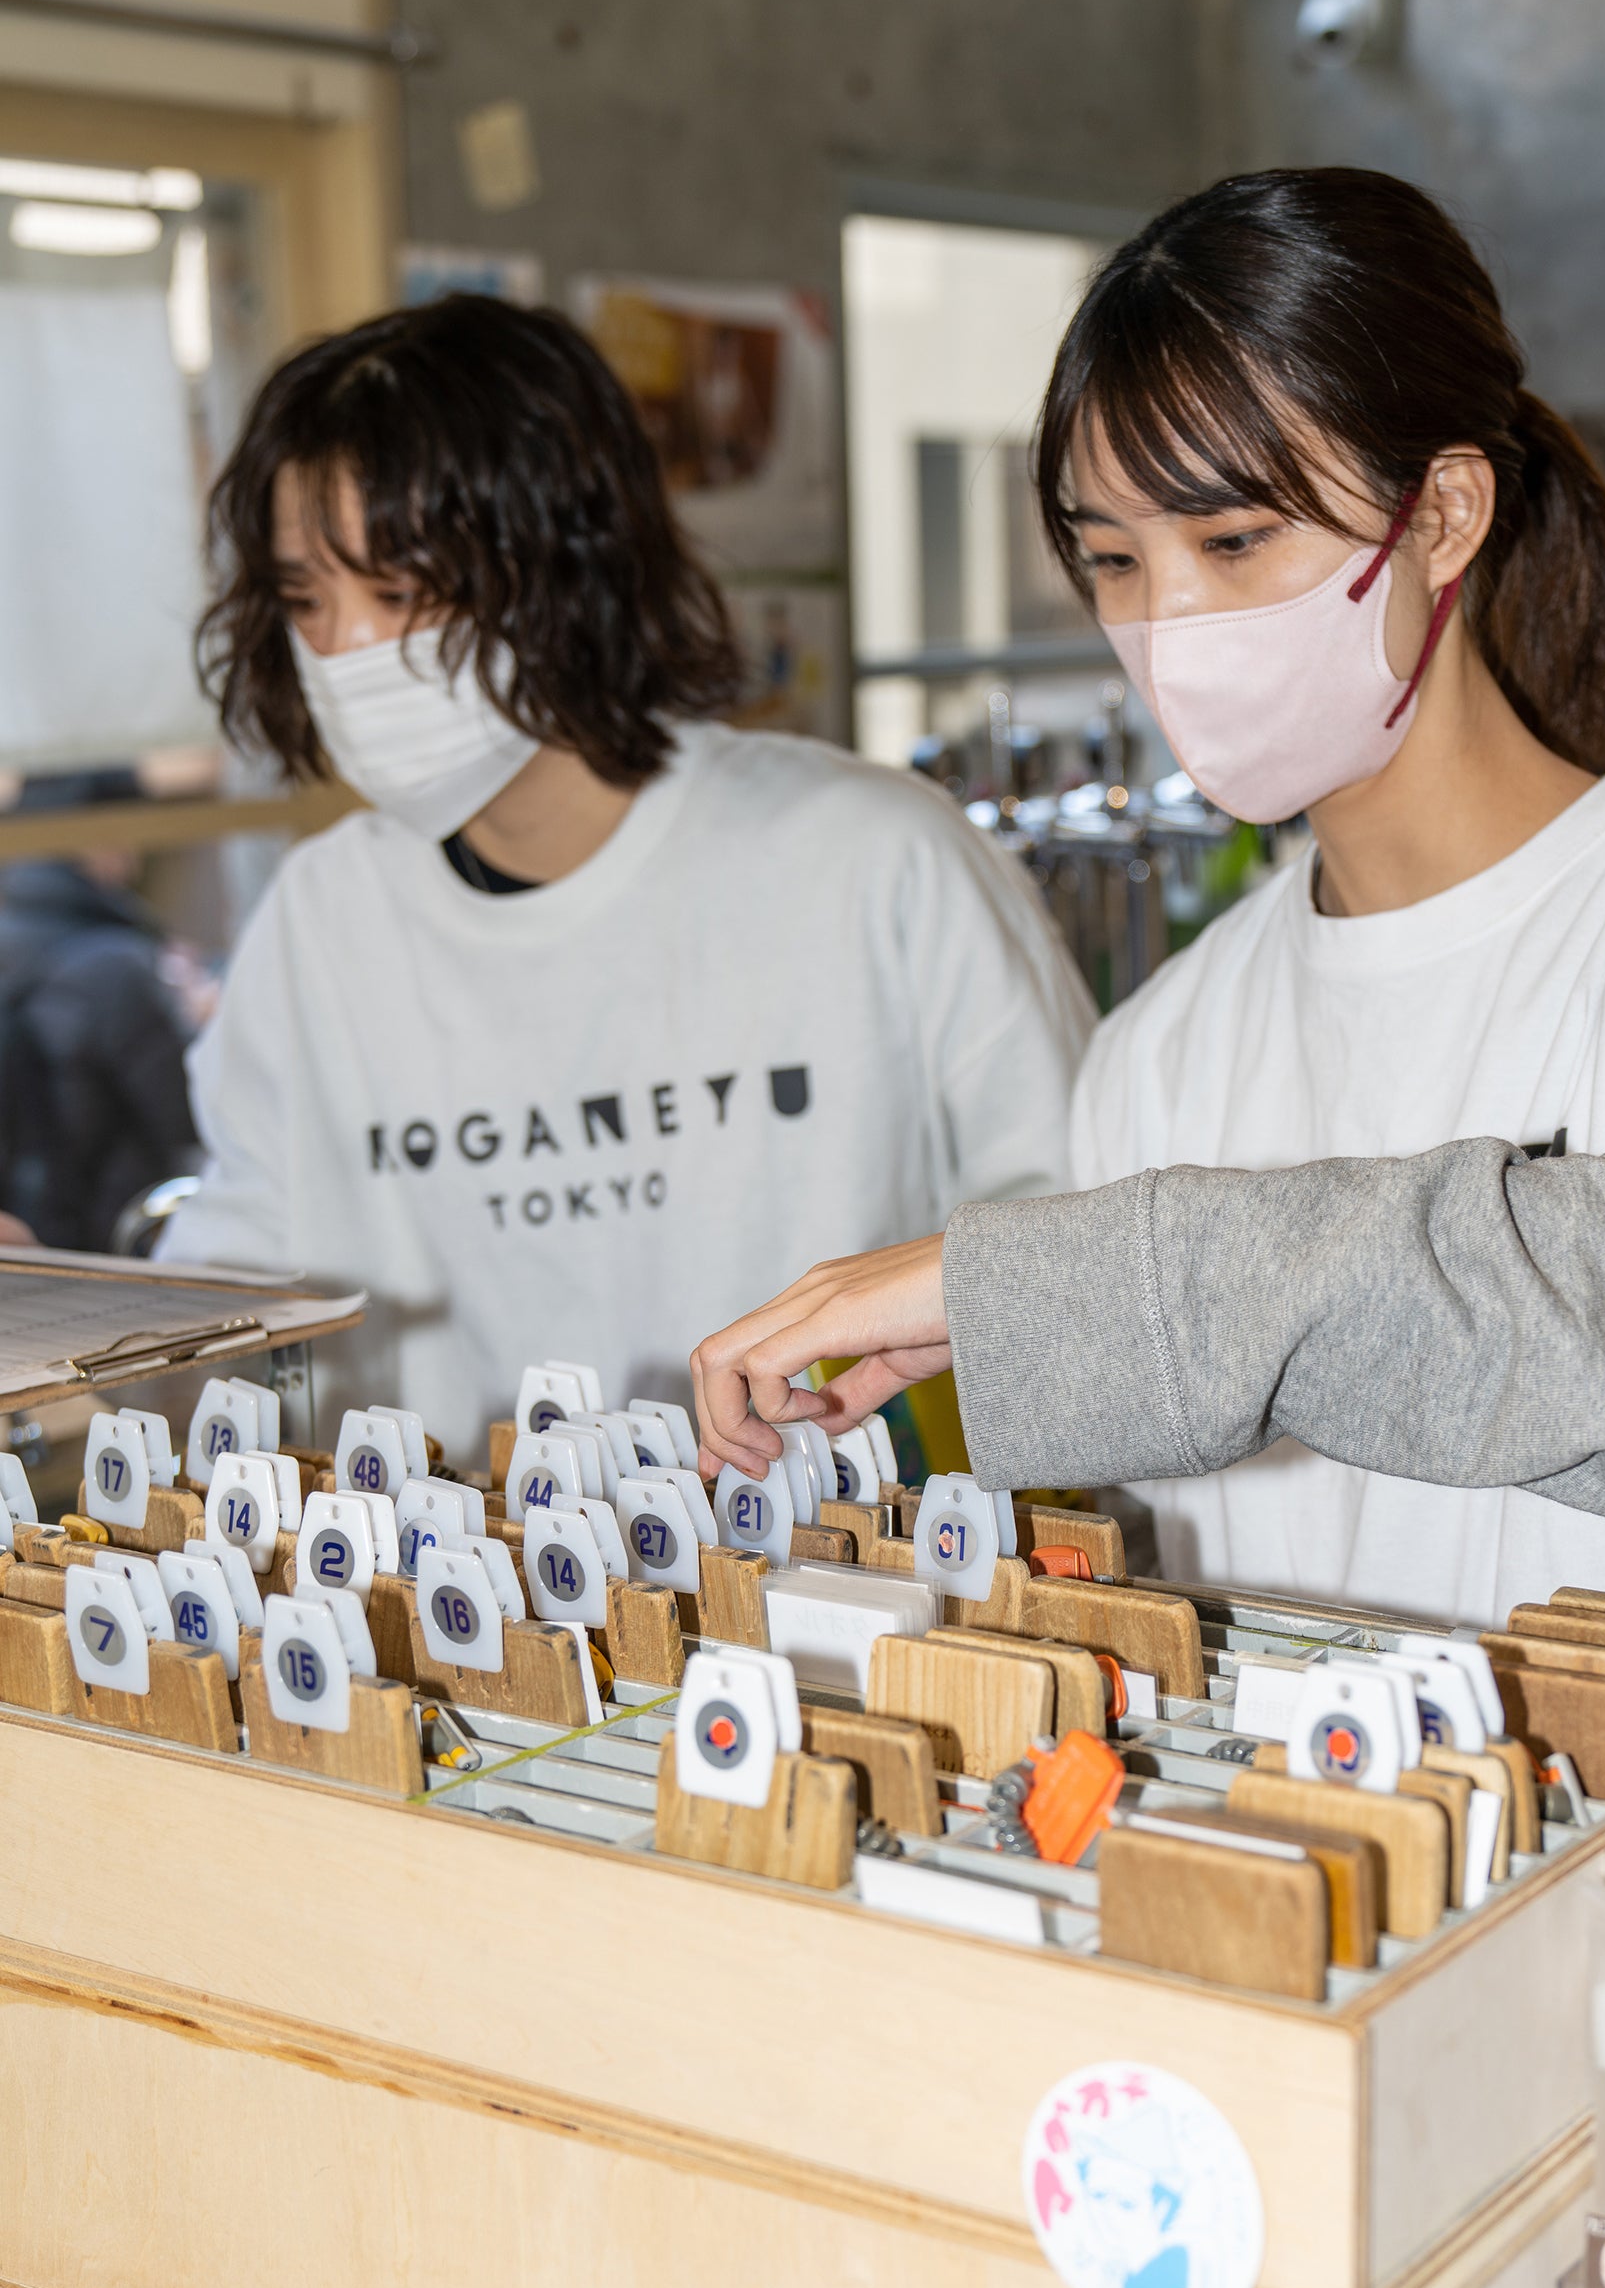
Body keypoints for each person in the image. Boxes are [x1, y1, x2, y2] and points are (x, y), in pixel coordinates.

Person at [691, 167, 1605, 1646]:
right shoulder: (1163, 1046)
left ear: (1445, 515)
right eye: (1112, 560)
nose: (1171, 627)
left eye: (1233, 543)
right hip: (1311, 1868)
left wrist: (1076, 1288)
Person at [157, 295, 1093, 1458]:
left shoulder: (873, 855)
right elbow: (240, 1283)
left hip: (851, 1589)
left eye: (398, 592)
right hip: (463, 1604)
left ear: (564, 561)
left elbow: (1083, 1255)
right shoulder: (320, 917)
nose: (342, 650)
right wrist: (79, 1333)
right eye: (305, 599)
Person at [0, 769, 202, 1251]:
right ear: (88, 836)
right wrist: (198, 1026)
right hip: (114, 1238)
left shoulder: (14, 942)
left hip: (25, 1231)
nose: (133, 858)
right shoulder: (115, 964)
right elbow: (187, 1115)